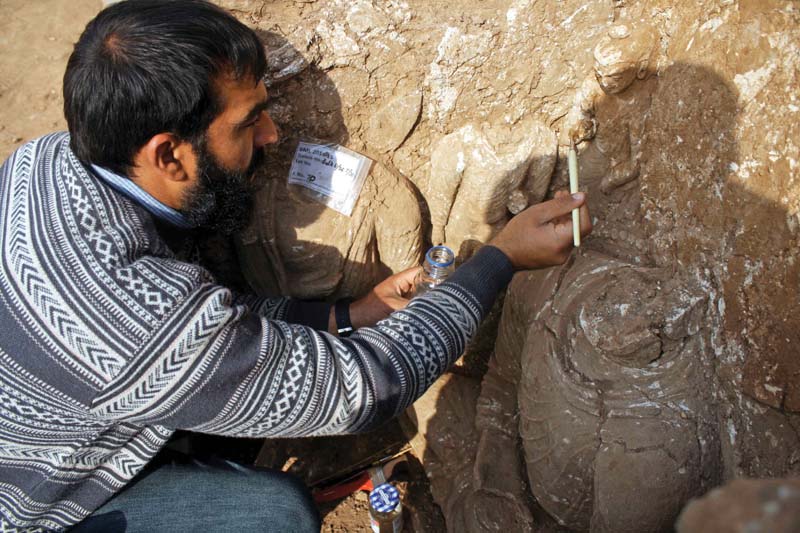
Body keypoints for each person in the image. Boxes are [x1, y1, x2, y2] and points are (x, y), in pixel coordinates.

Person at [0, 1, 592, 531]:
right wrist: (500, 258)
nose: (273, 133)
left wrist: (353, 311)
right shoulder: (138, 327)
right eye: (247, 122)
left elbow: (204, 321)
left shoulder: (43, 161)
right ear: (168, 154)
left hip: (62, 412)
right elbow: (365, 387)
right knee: (274, 514)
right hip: (46, 500)